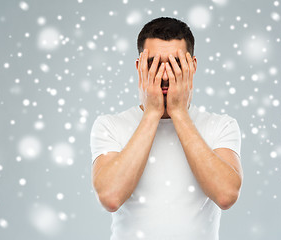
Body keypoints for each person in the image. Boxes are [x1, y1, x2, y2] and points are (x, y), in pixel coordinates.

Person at [90, 17, 243, 240]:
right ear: (139, 67)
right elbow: (110, 197)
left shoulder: (221, 125)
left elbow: (226, 195)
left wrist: (179, 112)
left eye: (175, 64)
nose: (164, 76)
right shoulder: (110, 125)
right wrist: (152, 113)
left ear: (193, 66)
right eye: (153, 64)